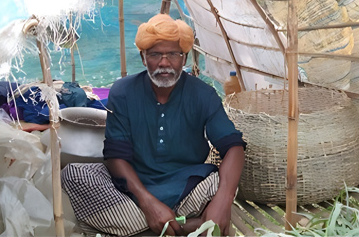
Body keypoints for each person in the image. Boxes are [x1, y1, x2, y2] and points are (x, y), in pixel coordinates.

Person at [62, 14, 246, 236]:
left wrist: (223, 202)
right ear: (143, 58)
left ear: (184, 58)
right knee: (73, 174)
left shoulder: (203, 95)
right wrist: (148, 204)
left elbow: (234, 147)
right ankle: (184, 228)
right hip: (130, 190)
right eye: (155, 54)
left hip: (186, 189)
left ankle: (144, 229)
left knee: (221, 183)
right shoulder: (122, 92)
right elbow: (115, 156)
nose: (164, 63)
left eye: (173, 54)